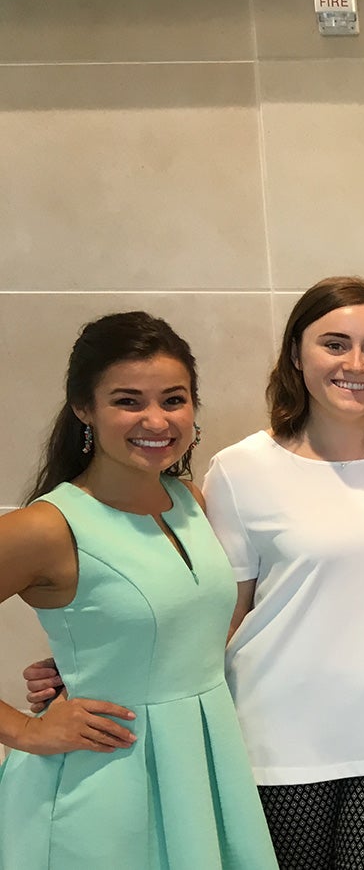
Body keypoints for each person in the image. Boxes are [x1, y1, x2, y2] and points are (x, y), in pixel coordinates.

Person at [27, 278, 364, 870]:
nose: (355, 363)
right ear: (296, 354)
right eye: (334, 343)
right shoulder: (239, 471)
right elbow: (218, 611)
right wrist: (101, 661)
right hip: (271, 743)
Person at [0, 312, 277, 868]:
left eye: (174, 399)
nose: (156, 419)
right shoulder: (47, 526)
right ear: (85, 408)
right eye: (128, 400)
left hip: (202, 769)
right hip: (104, 786)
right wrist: (26, 731)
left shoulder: (191, 502)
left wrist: (88, 654)